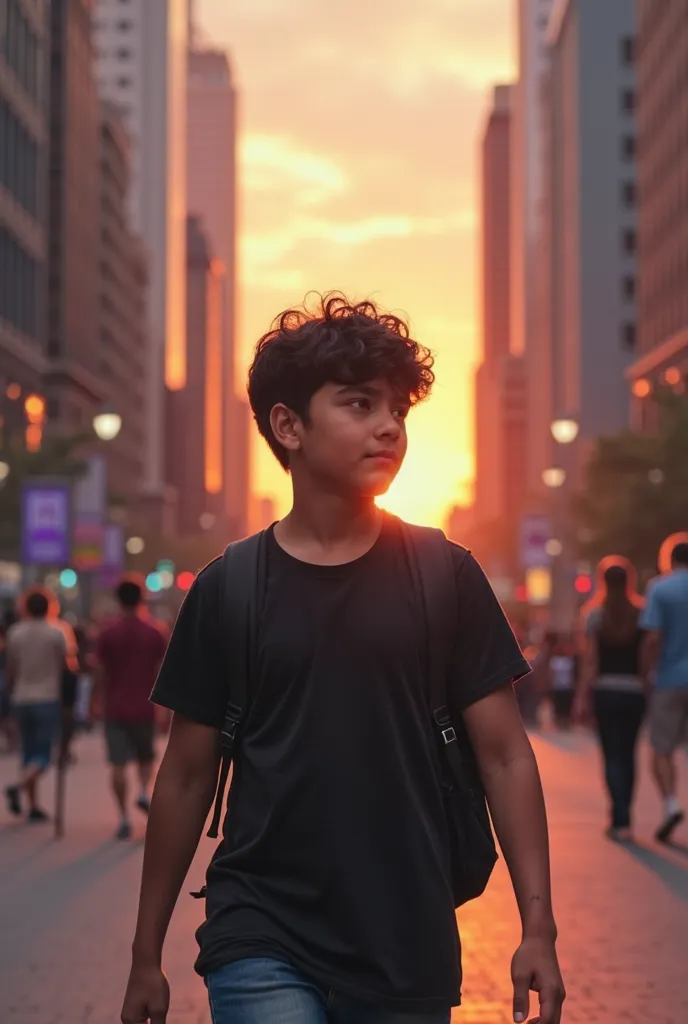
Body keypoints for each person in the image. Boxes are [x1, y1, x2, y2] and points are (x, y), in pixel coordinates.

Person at [121, 295, 565, 1024]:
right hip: (257, 924)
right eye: (360, 404)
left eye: (397, 410)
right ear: (288, 426)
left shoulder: (443, 575)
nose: (389, 426)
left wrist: (538, 928)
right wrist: (145, 956)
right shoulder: (229, 588)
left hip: (407, 935)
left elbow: (507, 757)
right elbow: (187, 776)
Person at [575, 561, 646, 842]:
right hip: (634, 691)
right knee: (629, 754)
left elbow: (591, 661)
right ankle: (626, 815)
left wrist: (582, 696)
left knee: (612, 754)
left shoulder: (595, 615)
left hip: (605, 691)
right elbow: (648, 652)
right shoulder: (641, 613)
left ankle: (618, 819)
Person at [94, 578, 168, 840]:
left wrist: (95, 701)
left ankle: (124, 816)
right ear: (142, 599)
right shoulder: (154, 631)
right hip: (145, 707)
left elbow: (100, 672)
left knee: (117, 763)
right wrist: (166, 709)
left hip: (114, 707)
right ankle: (143, 793)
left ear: (118, 600)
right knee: (146, 759)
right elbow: (163, 672)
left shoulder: (107, 632)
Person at [3, 590, 67, 822]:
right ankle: (17, 786)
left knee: (28, 753)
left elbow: (10, 670)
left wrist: (9, 699)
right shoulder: (56, 633)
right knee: (43, 756)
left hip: (21, 698)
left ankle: (33, 805)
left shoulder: (15, 633)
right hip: (47, 698)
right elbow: (65, 667)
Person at [640, 540, 688, 843]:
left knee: (661, 749)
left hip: (669, 680)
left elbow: (653, 637)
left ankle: (671, 805)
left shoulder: (660, 588)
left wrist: (646, 673)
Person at [549, 635, 577, 730]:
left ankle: (566, 721)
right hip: (557, 686)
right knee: (558, 704)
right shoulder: (554, 661)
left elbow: (573, 673)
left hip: (568, 686)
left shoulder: (570, 660)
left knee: (567, 704)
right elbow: (551, 673)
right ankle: (559, 721)